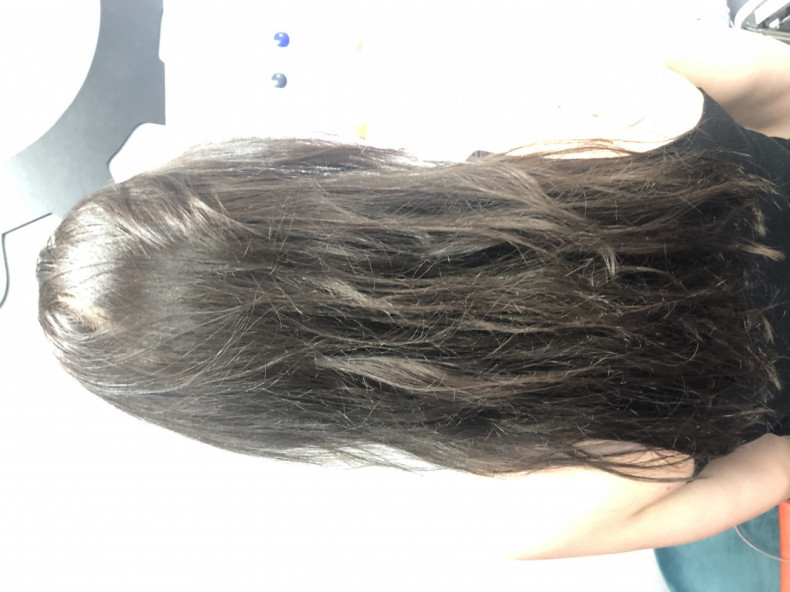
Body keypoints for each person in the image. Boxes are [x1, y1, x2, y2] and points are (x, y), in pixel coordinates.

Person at [36, 26, 790, 559]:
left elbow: (774, 471)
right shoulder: (580, 102)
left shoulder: (534, 500)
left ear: (261, 412)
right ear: (273, 180)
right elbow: (780, 86)